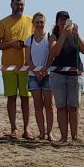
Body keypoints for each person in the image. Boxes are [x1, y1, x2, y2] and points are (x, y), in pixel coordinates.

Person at [0, 0, 33, 139]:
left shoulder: (30, 20)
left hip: (25, 66)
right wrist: (11, 44)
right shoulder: (3, 22)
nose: (19, 7)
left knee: (25, 98)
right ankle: (14, 129)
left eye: (22, 4)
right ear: (11, 5)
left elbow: (37, 39)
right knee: (11, 98)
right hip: (8, 66)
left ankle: (27, 129)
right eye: (17, 4)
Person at [48, 10, 84, 143]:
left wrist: (76, 35)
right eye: (61, 20)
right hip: (59, 75)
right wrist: (63, 36)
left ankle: (74, 136)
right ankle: (64, 136)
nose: (64, 22)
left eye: (66, 19)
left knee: (73, 106)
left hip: (74, 75)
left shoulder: (74, 35)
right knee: (61, 106)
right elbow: (54, 52)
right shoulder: (54, 36)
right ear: (57, 22)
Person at [26, 12, 55, 142]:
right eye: (37, 22)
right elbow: (27, 60)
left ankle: (50, 133)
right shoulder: (29, 40)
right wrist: (36, 72)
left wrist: (44, 69)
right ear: (33, 23)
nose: (39, 24)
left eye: (41, 22)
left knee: (49, 105)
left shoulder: (49, 37)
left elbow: (51, 57)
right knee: (38, 105)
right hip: (33, 76)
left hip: (47, 75)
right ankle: (41, 133)